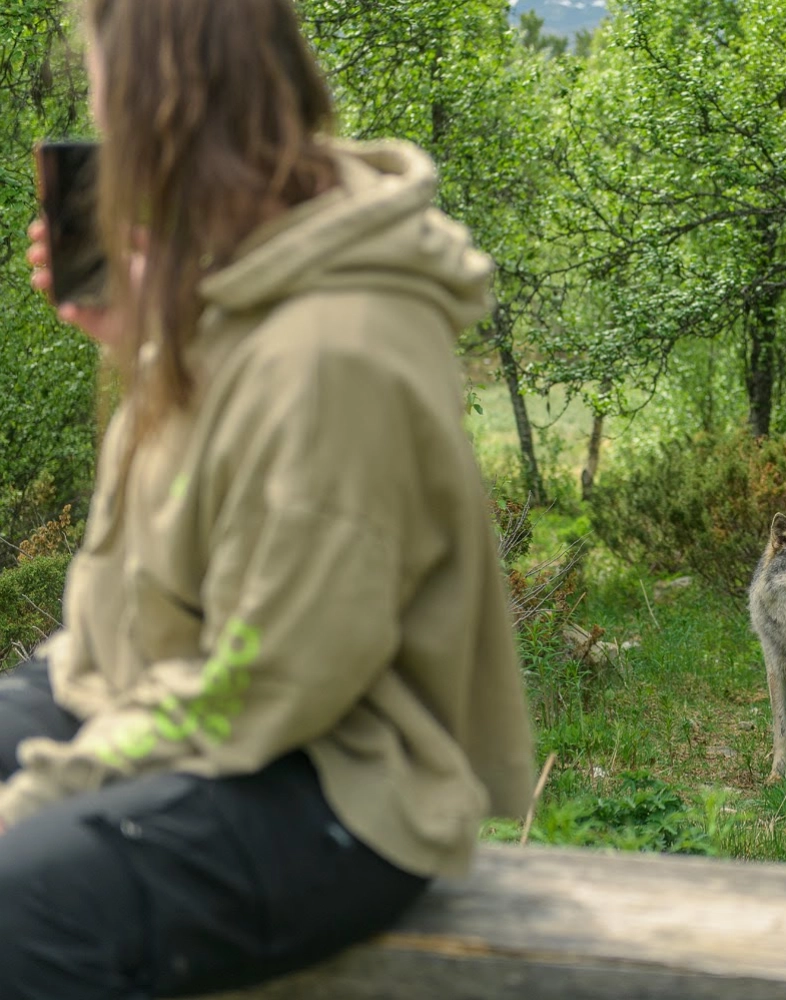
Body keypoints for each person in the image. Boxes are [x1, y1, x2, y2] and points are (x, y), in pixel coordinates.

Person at [11, 1, 535, 996]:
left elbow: (267, 677)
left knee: (22, 906)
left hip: (341, 776)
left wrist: (41, 791)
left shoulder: (331, 349)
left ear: (161, 113)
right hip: (182, 687)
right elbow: (151, 574)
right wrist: (143, 344)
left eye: (104, 95)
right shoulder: (248, 273)